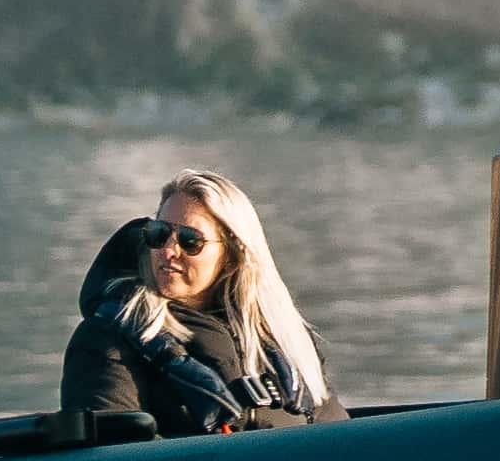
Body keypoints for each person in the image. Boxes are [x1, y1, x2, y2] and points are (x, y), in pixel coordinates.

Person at [59, 171, 335, 440]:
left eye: (190, 241)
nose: (168, 251)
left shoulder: (288, 338)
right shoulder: (105, 340)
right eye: (159, 233)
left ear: (232, 253)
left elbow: (337, 436)